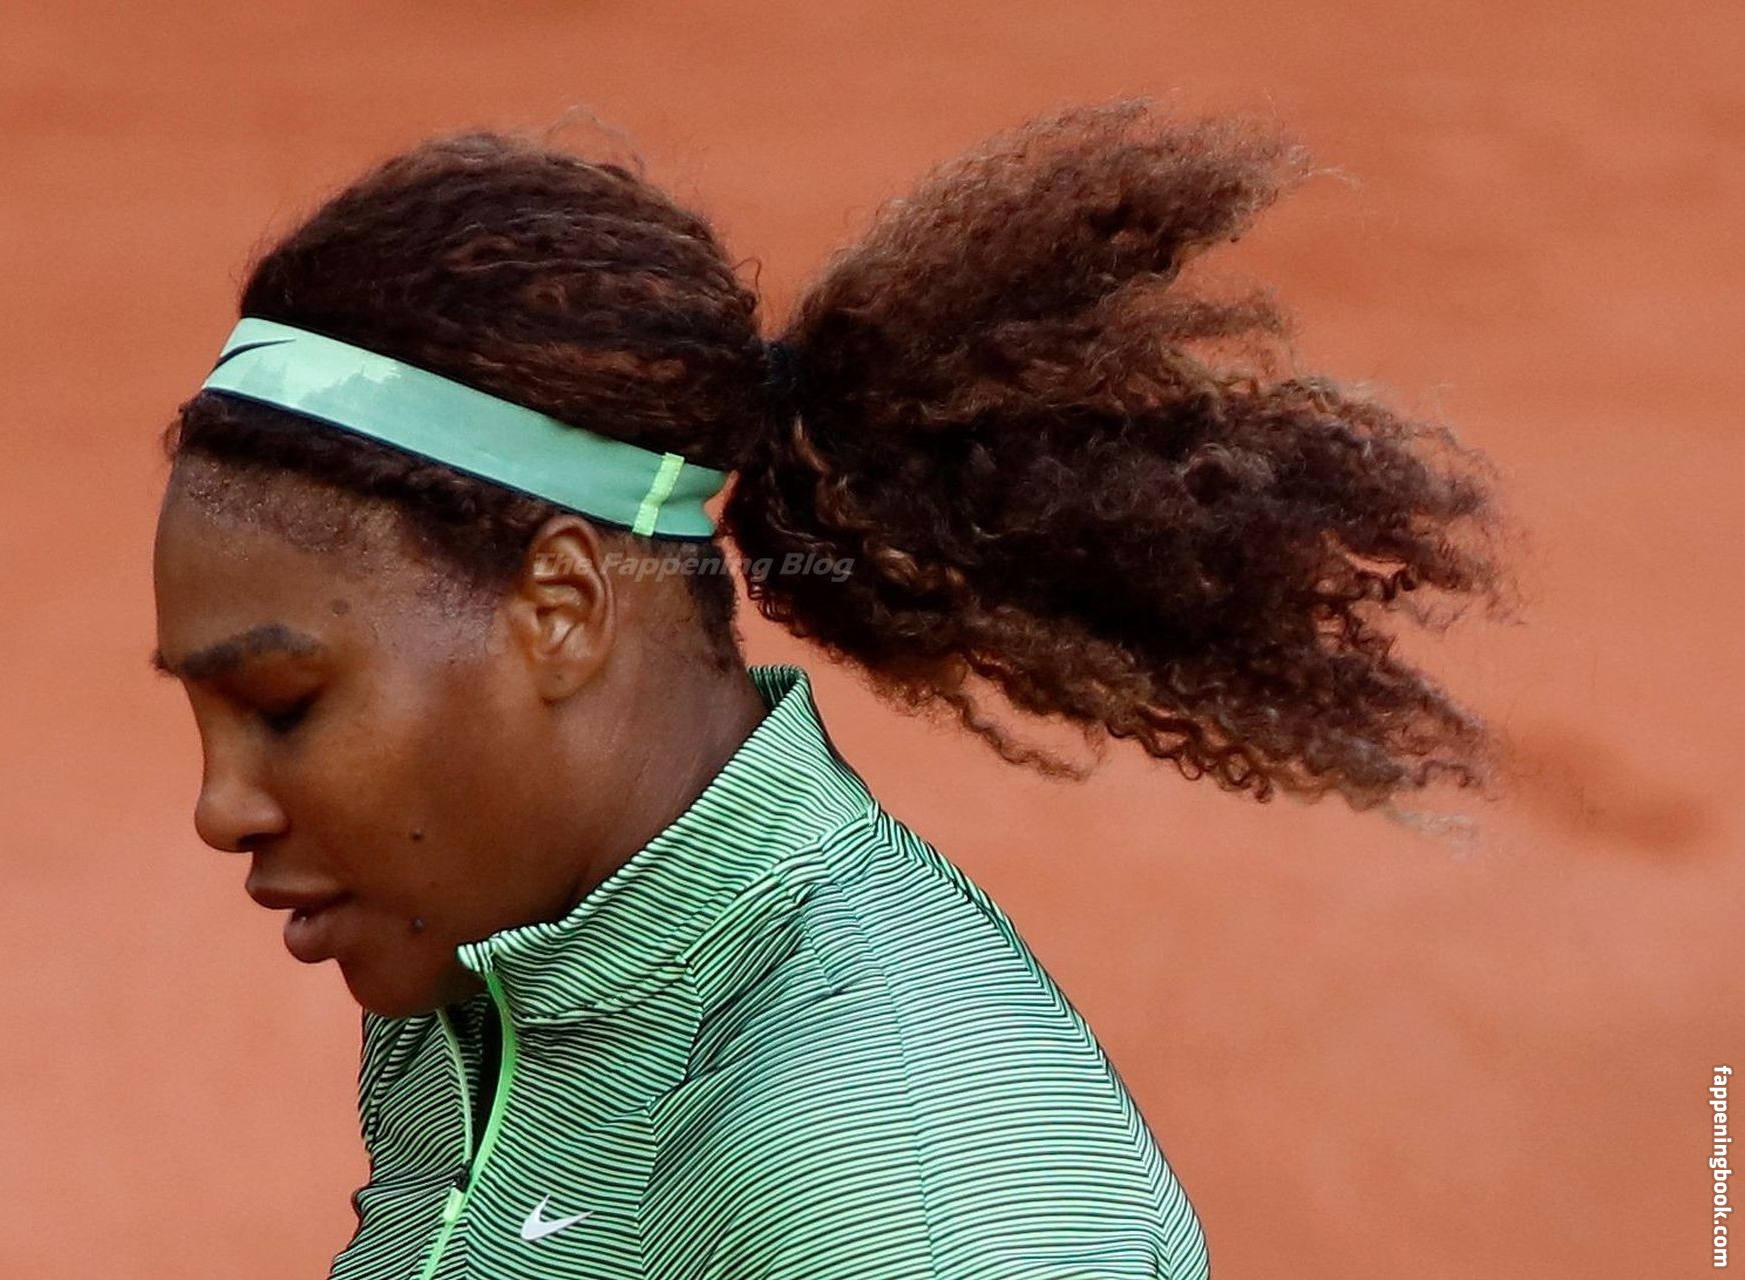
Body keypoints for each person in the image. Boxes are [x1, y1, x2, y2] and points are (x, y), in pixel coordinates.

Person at [149, 98, 1511, 1280]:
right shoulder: (489, 967)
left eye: (283, 706)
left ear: (560, 610)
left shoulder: (901, 1196)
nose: (221, 809)